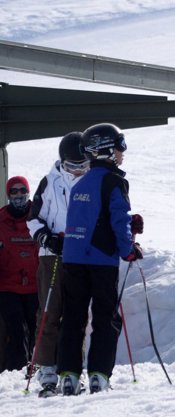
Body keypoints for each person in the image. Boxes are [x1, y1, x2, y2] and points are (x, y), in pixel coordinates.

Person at [57, 123, 143, 395]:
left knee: (73, 316)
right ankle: (99, 375)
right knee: (106, 317)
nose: (122, 152)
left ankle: (68, 376)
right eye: (120, 146)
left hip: (72, 259)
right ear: (106, 149)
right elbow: (119, 221)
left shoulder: (80, 182)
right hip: (101, 261)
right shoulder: (114, 182)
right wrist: (128, 249)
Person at [27, 131, 89, 396]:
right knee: (49, 312)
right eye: (72, 166)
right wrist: (46, 238)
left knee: (77, 315)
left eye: (82, 165)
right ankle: (47, 367)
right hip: (52, 255)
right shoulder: (50, 182)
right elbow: (33, 218)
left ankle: (71, 369)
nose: (77, 171)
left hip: (81, 256)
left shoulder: (93, 181)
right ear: (62, 162)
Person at [0, 176, 39, 372]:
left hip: (35, 285)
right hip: (8, 286)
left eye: (22, 190)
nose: (18, 195)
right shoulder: (1, 220)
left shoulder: (38, 215)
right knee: (16, 328)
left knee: (36, 328)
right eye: (13, 191)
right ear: (8, 194)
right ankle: (16, 369)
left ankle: (36, 367)